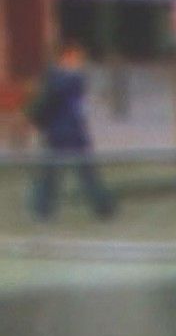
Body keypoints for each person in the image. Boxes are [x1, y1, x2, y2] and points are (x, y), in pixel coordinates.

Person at [27, 40, 116, 222]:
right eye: (76, 57)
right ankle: (102, 207)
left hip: (65, 130)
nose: (80, 62)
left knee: (61, 172)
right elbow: (48, 104)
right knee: (68, 171)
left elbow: (51, 104)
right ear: (66, 57)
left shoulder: (59, 78)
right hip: (65, 130)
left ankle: (44, 208)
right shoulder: (65, 79)